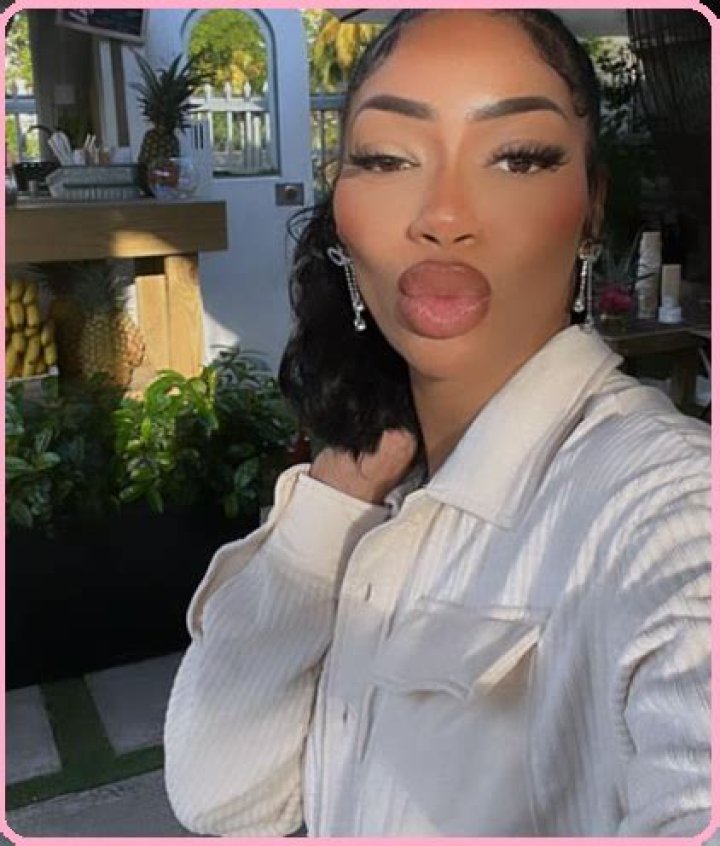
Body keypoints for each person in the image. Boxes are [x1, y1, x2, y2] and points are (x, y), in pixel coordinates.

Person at [164, 9, 710, 836]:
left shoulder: (672, 508)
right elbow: (221, 794)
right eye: (387, 158)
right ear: (340, 213)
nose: (445, 215)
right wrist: (330, 504)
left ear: (592, 207)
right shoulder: (375, 489)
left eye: (519, 157)